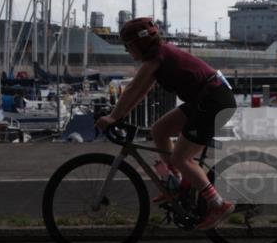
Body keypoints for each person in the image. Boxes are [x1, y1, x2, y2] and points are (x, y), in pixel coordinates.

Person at [95, 17, 237, 230]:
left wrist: (113, 117)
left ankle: (218, 204)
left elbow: (133, 88)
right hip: (205, 99)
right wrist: (120, 114)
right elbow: (142, 90)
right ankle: (176, 183)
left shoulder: (156, 56)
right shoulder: (158, 55)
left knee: (182, 156)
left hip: (213, 101)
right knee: (159, 130)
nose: (127, 50)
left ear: (140, 43)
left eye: (128, 46)